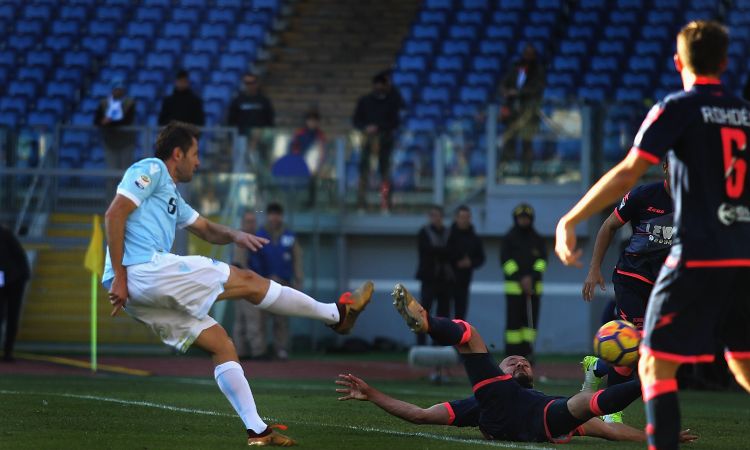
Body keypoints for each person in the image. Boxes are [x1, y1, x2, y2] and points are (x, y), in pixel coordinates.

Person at [103, 120, 373, 446]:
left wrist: (235, 234)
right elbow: (114, 214)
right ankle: (337, 315)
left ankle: (257, 430)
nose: (199, 162)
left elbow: (203, 228)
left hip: (136, 289)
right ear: (177, 154)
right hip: (141, 270)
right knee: (247, 280)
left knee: (220, 343)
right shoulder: (151, 169)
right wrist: (121, 275)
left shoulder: (171, 194)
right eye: (195, 153)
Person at [554, 21, 750, 450]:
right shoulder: (745, 113)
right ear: (725, 62)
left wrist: (570, 219)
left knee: (655, 366)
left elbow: (629, 168)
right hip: (742, 258)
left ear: (679, 61)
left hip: (697, 255)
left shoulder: (677, 107)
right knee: (742, 365)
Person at [334, 284, 697, 444]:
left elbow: (612, 431)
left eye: (525, 362)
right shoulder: (478, 401)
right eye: (513, 361)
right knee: (470, 335)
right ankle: (427, 323)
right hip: (499, 405)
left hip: (544, 420)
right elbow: (418, 413)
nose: (521, 363)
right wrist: (373, 394)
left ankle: (655, 378)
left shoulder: (543, 398)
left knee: (586, 406)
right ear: (502, 370)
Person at [580, 162, 673, 422]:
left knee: (652, 347)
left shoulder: (698, 203)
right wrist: (594, 268)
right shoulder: (643, 195)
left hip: (665, 287)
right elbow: (609, 226)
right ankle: (611, 412)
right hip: (631, 279)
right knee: (632, 344)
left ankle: (597, 367)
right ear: (666, 167)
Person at [253, 203, 303, 361]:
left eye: (277, 214)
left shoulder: (289, 236)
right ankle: (259, 350)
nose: (274, 217)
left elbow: (297, 258)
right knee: (260, 318)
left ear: (281, 216)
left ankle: (280, 349)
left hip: (283, 282)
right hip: (263, 282)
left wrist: (298, 278)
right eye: (272, 214)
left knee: (281, 319)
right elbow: (253, 258)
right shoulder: (259, 234)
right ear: (267, 215)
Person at [500, 203, 547, 360]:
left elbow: (542, 262)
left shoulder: (538, 239)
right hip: (514, 290)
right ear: (516, 219)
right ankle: (511, 356)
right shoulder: (509, 238)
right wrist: (520, 279)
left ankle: (527, 355)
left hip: (533, 290)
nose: (524, 221)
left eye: (526, 218)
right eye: (521, 218)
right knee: (513, 326)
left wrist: (532, 278)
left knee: (530, 326)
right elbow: (506, 262)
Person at [352, 73, 403, 211]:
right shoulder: (364, 101)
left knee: (385, 174)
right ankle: (361, 204)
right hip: (367, 141)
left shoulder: (392, 102)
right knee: (364, 173)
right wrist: (366, 127)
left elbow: (396, 122)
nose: (379, 87)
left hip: (385, 141)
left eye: (383, 84)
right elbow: (356, 121)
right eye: (378, 84)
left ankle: (385, 204)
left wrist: (379, 127)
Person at [498, 43, 545, 178]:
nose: (527, 57)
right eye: (526, 54)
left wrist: (517, 93)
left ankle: (526, 172)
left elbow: (537, 88)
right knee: (509, 142)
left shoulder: (538, 70)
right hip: (513, 113)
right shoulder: (515, 68)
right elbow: (503, 84)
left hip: (528, 113)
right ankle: (505, 171)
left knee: (526, 142)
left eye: (530, 55)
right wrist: (505, 91)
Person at [415, 205, 453, 346]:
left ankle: (439, 345)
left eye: (438, 215)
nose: (436, 218)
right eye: (433, 215)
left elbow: (451, 251)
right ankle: (421, 344)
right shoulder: (424, 232)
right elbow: (426, 251)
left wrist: (438, 251)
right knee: (423, 313)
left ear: (442, 217)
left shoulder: (449, 232)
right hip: (429, 278)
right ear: (430, 217)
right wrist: (442, 251)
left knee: (443, 315)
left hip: (445, 279)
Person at [231, 211, 266, 360]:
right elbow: (239, 264)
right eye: (248, 221)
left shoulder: (247, 238)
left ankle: (241, 351)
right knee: (251, 319)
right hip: (246, 285)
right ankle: (257, 351)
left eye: (252, 221)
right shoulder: (242, 240)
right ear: (243, 223)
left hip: (240, 285)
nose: (251, 224)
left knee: (242, 320)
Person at [94, 78, 136, 198]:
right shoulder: (104, 104)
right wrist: (105, 122)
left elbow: (127, 121)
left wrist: (109, 122)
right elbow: (97, 121)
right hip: (110, 143)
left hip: (126, 143)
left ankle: (125, 205)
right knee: (111, 177)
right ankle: (111, 205)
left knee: (126, 177)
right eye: (116, 89)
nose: (118, 92)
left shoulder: (129, 103)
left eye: (120, 89)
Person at [447, 205, 485, 320]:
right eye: (462, 217)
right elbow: (442, 254)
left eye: (467, 217)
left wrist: (470, 263)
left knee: (460, 317)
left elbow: (481, 258)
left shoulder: (474, 238)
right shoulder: (447, 235)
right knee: (443, 315)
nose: (464, 220)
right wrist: (455, 261)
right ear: (456, 218)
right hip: (445, 281)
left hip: (464, 282)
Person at [0, 225, 30, 362]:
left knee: (11, 315)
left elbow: (6, 263)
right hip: (7, 277)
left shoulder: (4, 234)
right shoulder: (5, 233)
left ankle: (8, 353)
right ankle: (7, 352)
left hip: (15, 278)